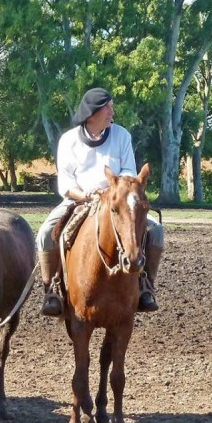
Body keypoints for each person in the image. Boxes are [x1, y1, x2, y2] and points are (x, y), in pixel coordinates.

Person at [35, 87, 165, 316]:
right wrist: (85, 195)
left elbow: (129, 171)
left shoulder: (121, 135)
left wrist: (109, 191)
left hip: (117, 201)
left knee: (156, 231)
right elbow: (65, 183)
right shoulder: (68, 141)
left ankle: (146, 285)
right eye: (108, 108)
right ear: (92, 112)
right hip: (79, 200)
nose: (112, 113)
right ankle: (52, 289)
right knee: (46, 233)